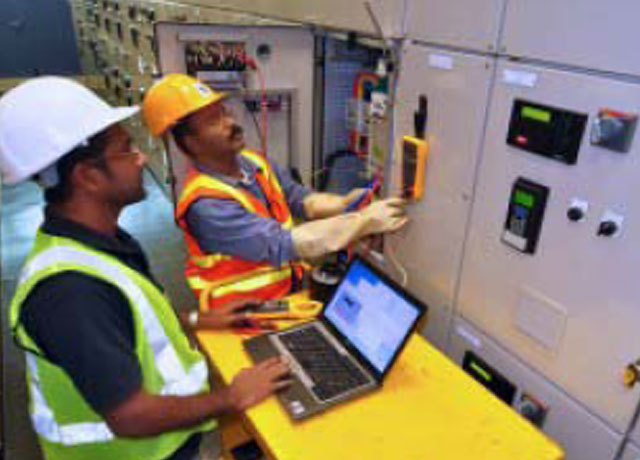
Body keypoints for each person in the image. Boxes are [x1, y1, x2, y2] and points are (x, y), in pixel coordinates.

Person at [1, 76, 291, 460]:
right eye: (127, 149)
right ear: (88, 176)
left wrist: (199, 319)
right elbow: (131, 416)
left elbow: (130, 320)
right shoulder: (70, 290)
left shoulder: (98, 243)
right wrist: (232, 396)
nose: (141, 157)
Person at [142, 74, 408, 308]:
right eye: (214, 121)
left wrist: (343, 203)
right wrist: (363, 221)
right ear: (190, 143)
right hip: (242, 316)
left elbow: (300, 199)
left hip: (287, 296)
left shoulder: (254, 163)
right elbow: (282, 244)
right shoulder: (206, 205)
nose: (230, 123)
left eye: (225, 112)